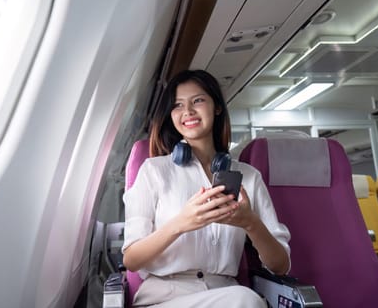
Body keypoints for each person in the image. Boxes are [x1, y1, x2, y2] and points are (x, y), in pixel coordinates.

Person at [122, 69, 291, 307]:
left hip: (225, 293)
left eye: (198, 100)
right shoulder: (154, 171)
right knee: (246, 300)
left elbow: (280, 265)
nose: (188, 111)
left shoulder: (249, 177)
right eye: (178, 105)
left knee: (244, 299)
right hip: (163, 297)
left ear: (217, 107)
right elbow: (131, 260)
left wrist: (250, 223)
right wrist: (181, 224)